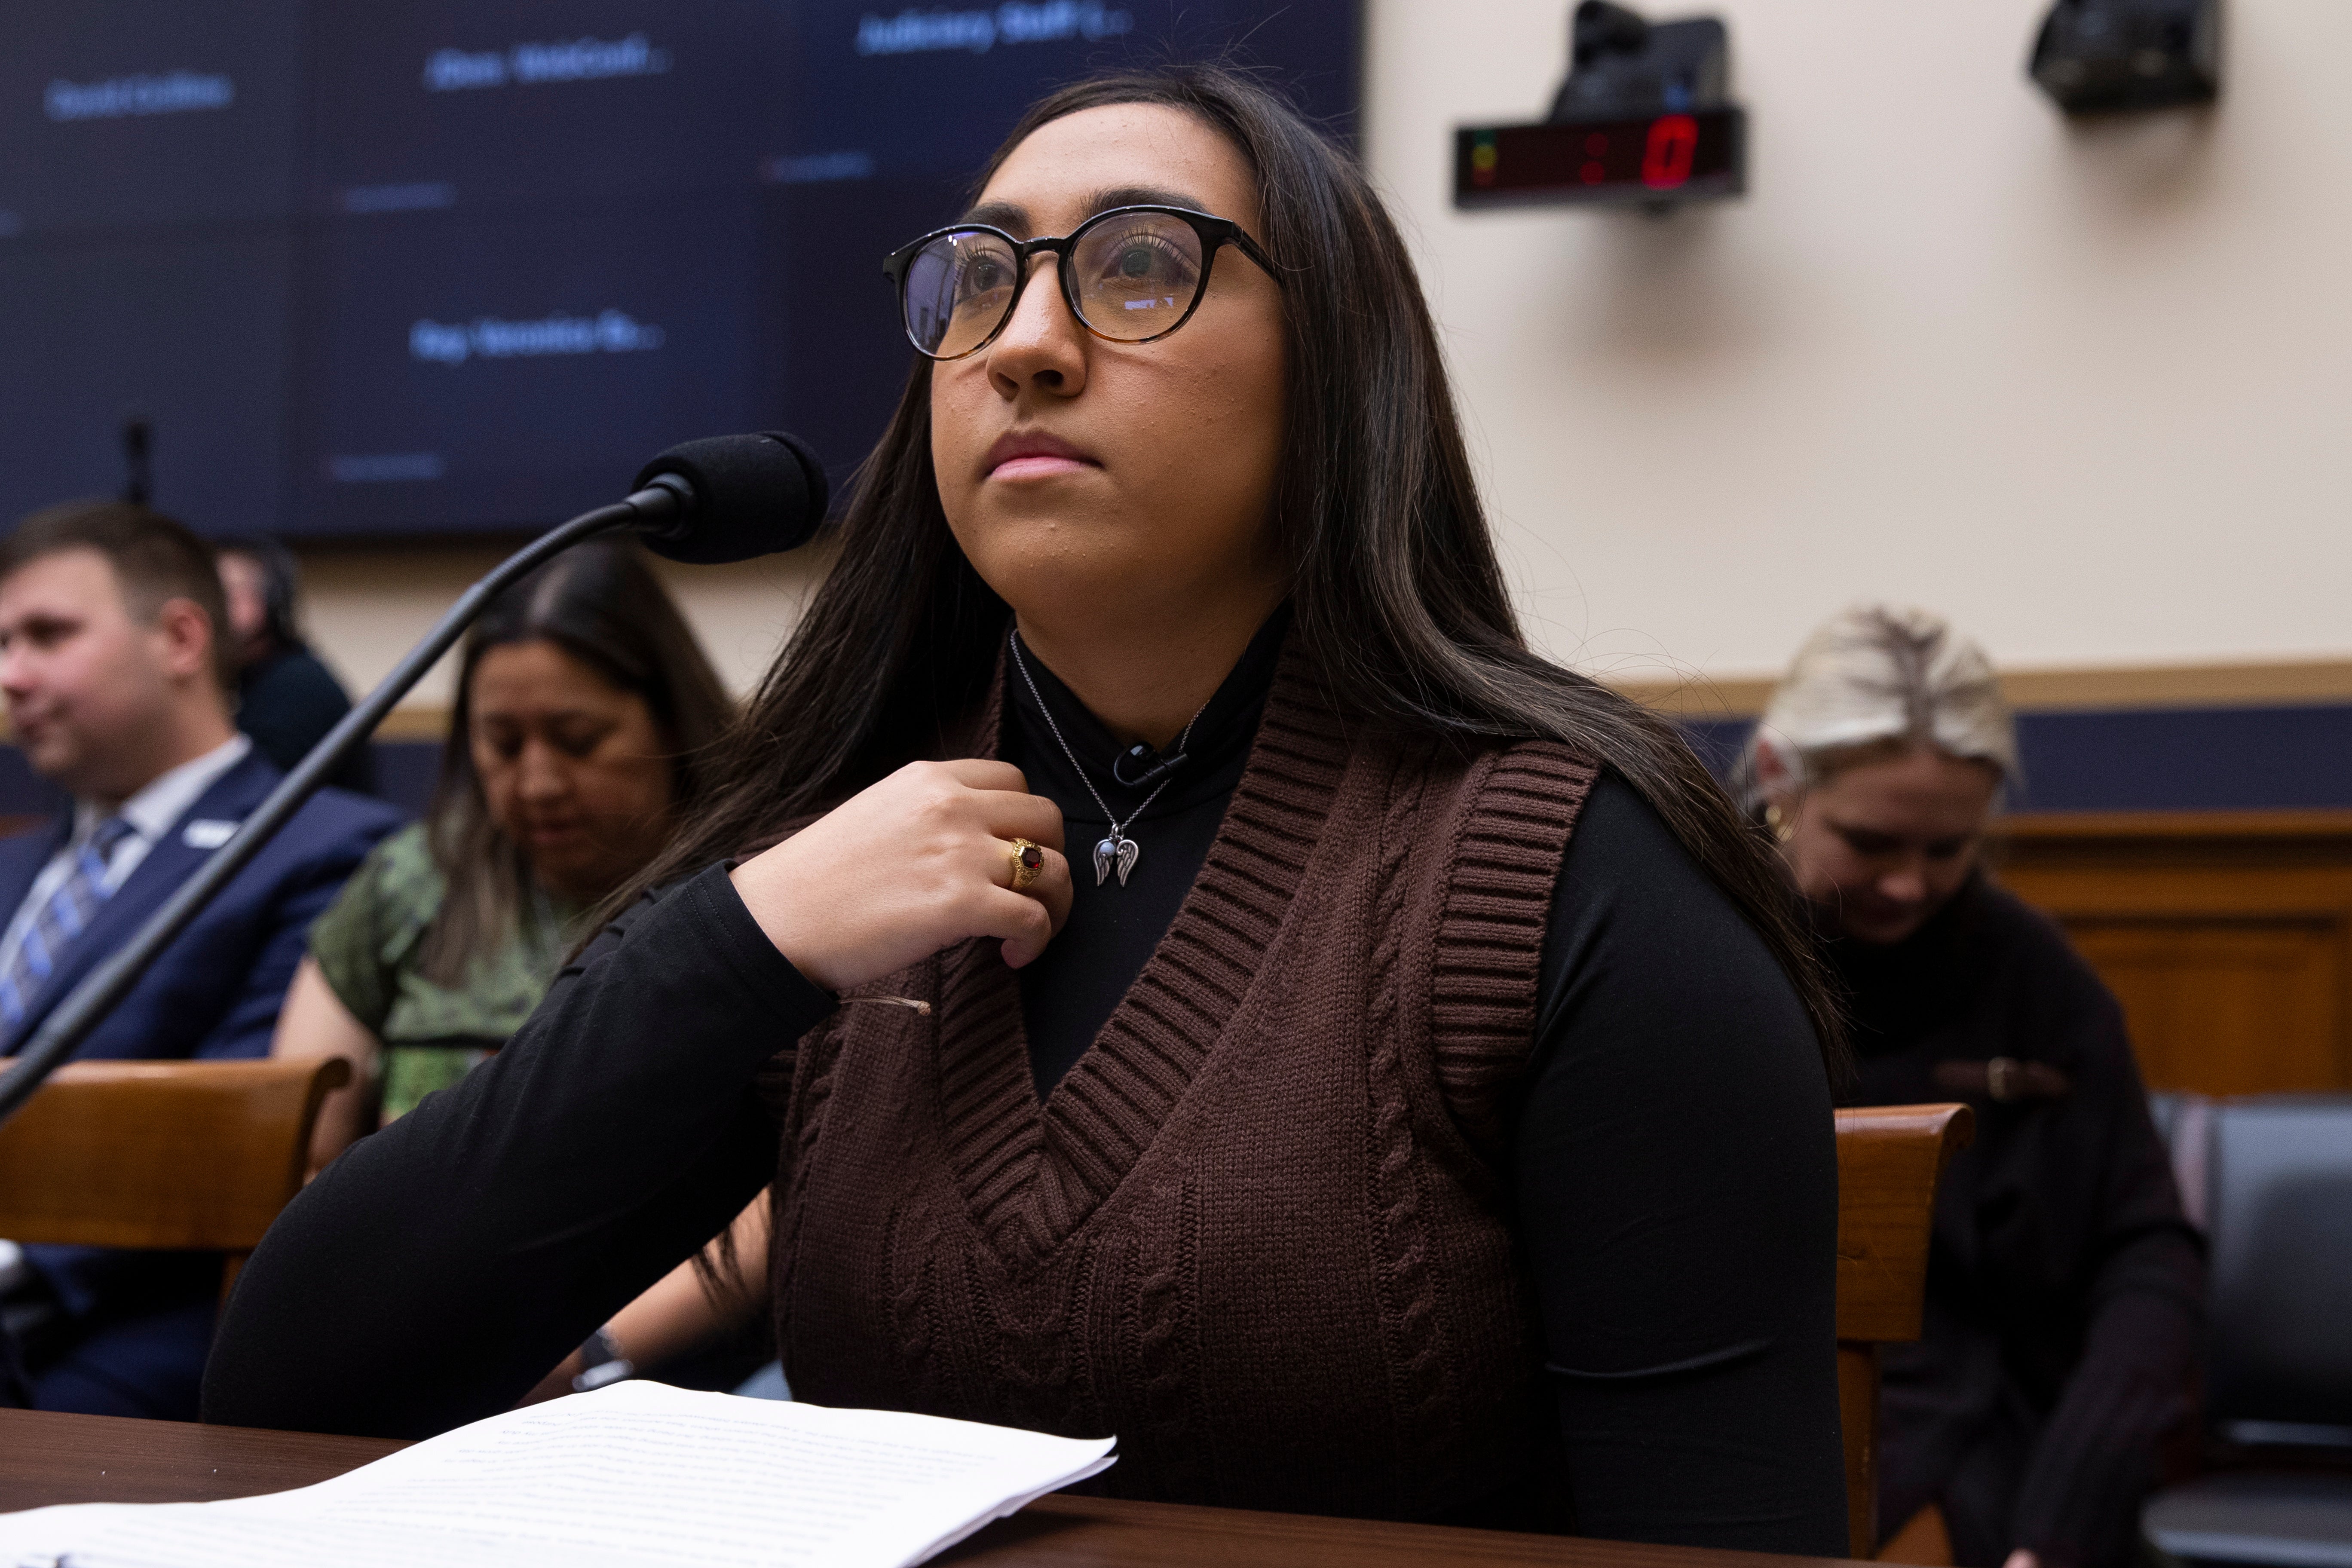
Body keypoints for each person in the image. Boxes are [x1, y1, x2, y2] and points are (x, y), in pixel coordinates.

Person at [209, 68, 1850, 1552]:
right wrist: (744, 938)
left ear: (1339, 369)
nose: (1025, 340)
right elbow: (306, 1365)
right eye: (977, 280)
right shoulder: (840, 842)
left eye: (1139, 267)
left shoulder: (1568, 872)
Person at [1741, 606, 2204, 1568]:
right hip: (1743, 1428)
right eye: (1871, 842)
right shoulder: (1698, 945)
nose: (1910, 884)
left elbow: (2148, 1255)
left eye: (1947, 850)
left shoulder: (2035, 976)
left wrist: (2064, 1521)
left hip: (1989, 1443)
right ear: (1780, 779)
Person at [0, 500, 401, 1420]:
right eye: (3, 643)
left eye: (47, 635)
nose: (10, 675)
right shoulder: (14, 864)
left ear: (181, 637)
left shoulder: (327, 850)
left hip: (121, 1339)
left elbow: (230, 1139)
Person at [271, 541, 733, 1172]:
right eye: (503, 743)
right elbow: (298, 1147)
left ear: (671, 721)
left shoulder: (754, 884)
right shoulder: (413, 880)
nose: (538, 783)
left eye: (578, 740)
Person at [214, 535, 375, 795]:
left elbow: (249, 795)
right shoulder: (244, 678)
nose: (208, 606)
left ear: (271, 601)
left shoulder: (300, 686)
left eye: (226, 592)